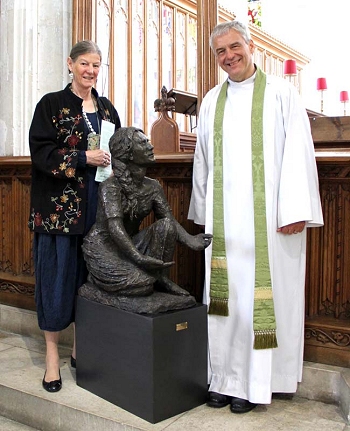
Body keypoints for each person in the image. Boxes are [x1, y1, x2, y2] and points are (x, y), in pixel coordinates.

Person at [188, 20, 323, 414]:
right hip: (226, 224)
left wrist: (295, 210)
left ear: (250, 46)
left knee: (257, 302)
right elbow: (203, 163)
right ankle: (224, 379)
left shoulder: (282, 94)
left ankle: (254, 384)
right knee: (225, 302)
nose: (229, 56)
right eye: (220, 52)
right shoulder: (212, 99)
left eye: (234, 47)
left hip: (269, 225)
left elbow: (299, 152)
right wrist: (202, 209)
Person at [28, 40, 121, 393]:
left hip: (96, 212)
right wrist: (83, 158)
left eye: (96, 65)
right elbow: (42, 153)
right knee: (55, 282)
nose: (90, 71)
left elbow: (115, 151)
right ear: (70, 64)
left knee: (89, 282)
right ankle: (53, 356)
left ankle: (82, 349)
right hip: (58, 213)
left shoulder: (108, 108)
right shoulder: (51, 104)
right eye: (84, 63)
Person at [81, 127, 212, 306]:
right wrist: (138, 258)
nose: (150, 146)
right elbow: (115, 229)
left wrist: (191, 240)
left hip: (132, 243)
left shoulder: (153, 187)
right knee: (141, 286)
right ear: (129, 154)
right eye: (143, 143)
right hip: (105, 247)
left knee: (165, 225)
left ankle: (161, 278)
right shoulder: (110, 187)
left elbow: (169, 221)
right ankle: (99, 279)